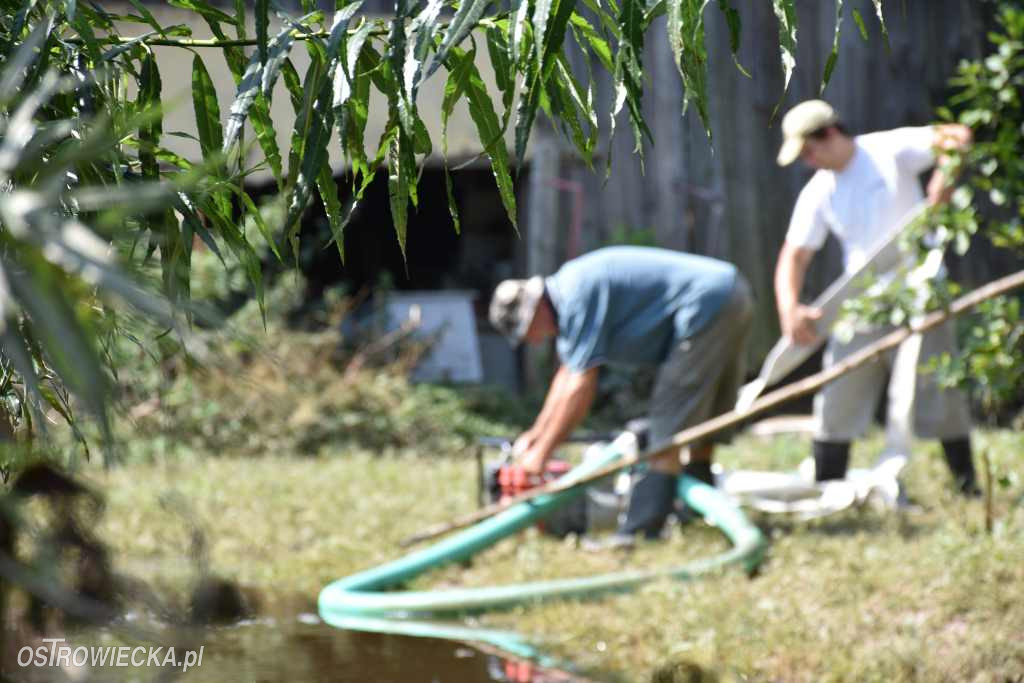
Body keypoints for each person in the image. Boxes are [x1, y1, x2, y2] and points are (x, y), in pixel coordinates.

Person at [773, 99, 978, 494]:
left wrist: (945, 179)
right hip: (865, 302)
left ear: (829, 134)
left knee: (940, 391)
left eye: (809, 151)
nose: (808, 161)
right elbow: (793, 256)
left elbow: (958, 136)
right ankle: (827, 488)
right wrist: (789, 308)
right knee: (838, 390)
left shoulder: (889, 150)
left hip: (921, 291)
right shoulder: (819, 191)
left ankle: (968, 488)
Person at [488, 246, 753, 544]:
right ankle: (694, 507)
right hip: (730, 291)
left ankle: (640, 531)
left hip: (705, 303)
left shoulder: (575, 296)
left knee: (668, 427)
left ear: (533, 310)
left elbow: (580, 386)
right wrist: (536, 436)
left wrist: (542, 455)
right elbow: (566, 377)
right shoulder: (568, 292)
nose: (533, 340)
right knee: (704, 421)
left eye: (527, 333)